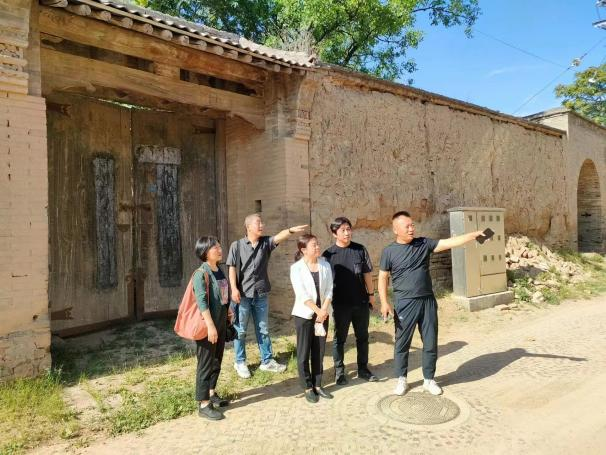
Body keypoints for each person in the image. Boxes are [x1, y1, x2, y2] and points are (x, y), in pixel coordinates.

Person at [378, 211, 485, 396]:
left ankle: (429, 379)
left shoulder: (423, 244)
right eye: (407, 226)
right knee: (402, 343)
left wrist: (473, 235)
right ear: (396, 230)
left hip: (427, 301)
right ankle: (402, 379)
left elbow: (449, 243)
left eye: (412, 225)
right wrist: (384, 302)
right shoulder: (389, 251)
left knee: (430, 342)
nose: (411, 229)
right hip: (405, 304)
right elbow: (382, 277)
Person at [227, 213, 308, 378]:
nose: (262, 225)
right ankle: (240, 362)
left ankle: (267, 361)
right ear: (248, 227)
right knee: (240, 330)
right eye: (258, 223)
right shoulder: (237, 245)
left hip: (261, 293)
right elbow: (232, 268)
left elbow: (279, 237)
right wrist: (234, 289)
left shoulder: (265, 243)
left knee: (263, 329)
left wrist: (291, 230)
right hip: (242, 294)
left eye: (262, 222)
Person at [322, 217, 377, 385]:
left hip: (360, 302)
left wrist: (371, 295)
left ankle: (363, 369)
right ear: (334, 234)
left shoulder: (360, 249)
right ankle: (339, 372)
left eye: (348, 229)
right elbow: (324, 281)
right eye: (343, 230)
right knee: (340, 339)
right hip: (340, 304)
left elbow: (367, 273)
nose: (347, 233)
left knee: (363, 337)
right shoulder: (328, 255)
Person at [192, 236, 233, 420]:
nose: (219, 249)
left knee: (216, 360)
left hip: (221, 322)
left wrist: (229, 310)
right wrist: (210, 326)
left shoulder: (219, 270)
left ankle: (211, 393)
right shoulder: (201, 274)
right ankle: (203, 404)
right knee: (205, 364)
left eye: (219, 246)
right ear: (205, 252)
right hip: (208, 326)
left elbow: (223, 294)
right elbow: (201, 301)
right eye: (215, 247)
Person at [290, 234, 334, 403]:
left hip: (323, 313)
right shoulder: (296, 268)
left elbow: (329, 289)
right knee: (304, 352)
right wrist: (317, 311)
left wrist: (323, 310)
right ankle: (307, 386)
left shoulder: (325, 265)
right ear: (303, 250)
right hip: (304, 315)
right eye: (313, 245)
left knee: (319, 350)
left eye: (317, 244)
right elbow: (302, 294)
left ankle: (318, 384)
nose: (317, 247)